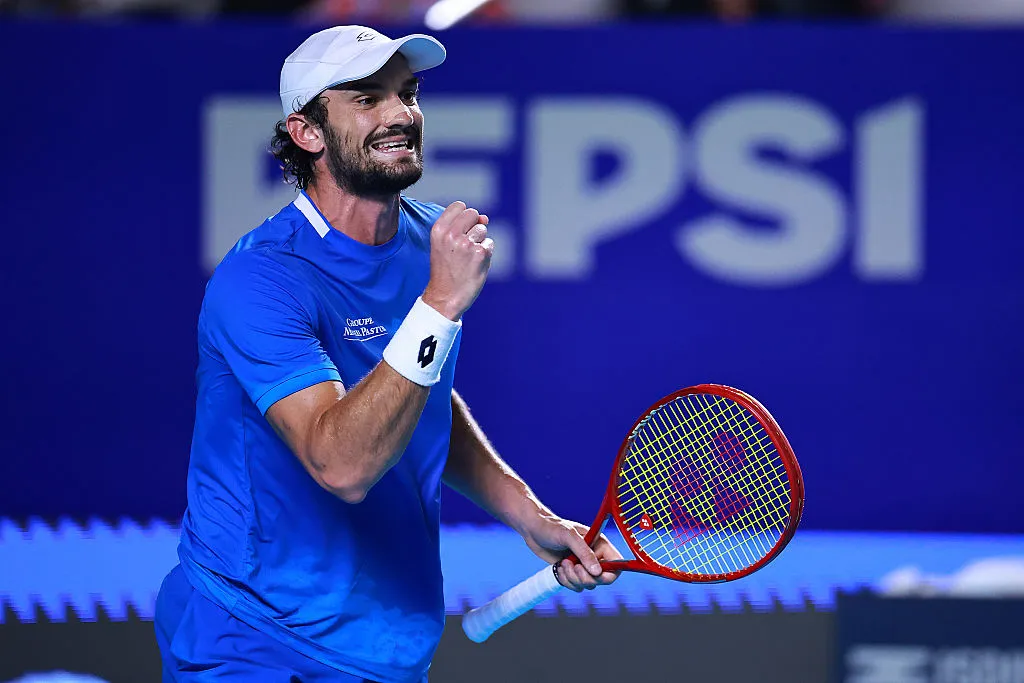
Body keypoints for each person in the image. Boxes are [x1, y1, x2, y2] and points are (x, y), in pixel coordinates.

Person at [153, 25, 622, 682]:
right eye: (368, 99)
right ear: (307, 132)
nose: (403, 114)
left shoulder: (428, 239)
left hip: (385, 644)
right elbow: (341, 463)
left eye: (408, 93)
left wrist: (530, 514)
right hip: (255, 635)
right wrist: (438, 303)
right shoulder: (261, 279)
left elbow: (415, 398)